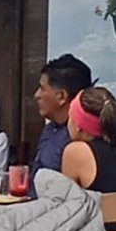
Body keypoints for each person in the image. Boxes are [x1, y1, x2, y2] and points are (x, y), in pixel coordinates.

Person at [30, 53, 95, 196]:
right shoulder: (49, 129)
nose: (36, 95)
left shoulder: (80, 137)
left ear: (61, 96)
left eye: (42, 88)